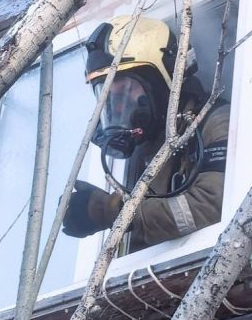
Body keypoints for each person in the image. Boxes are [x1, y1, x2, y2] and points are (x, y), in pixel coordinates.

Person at [62, 16, 230, 247]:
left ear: (161, 81)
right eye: (108, 96)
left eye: (124, 91)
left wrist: (111, 210)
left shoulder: (216, 122)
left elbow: (213, 207)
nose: (117, 107)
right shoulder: (146, 150)